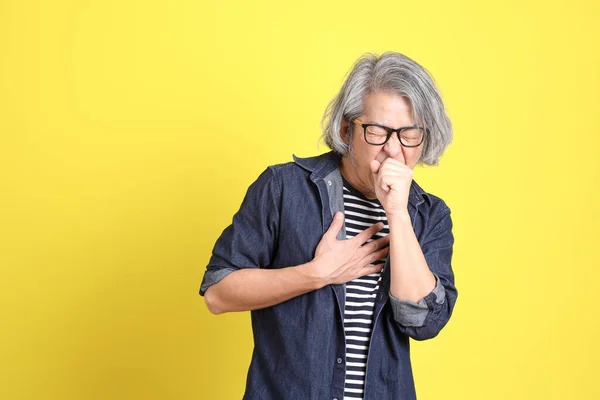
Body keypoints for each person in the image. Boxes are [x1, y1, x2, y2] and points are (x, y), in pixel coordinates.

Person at [199, 51, 458, 400]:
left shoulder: (428, 214)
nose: (393, 150)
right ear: (346, 129)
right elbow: (217, 293)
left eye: (409, 134)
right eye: (378, 132)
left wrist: (397, 215)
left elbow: (424, 321)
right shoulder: (283, 188)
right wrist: (316, 274)